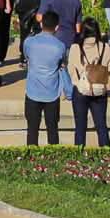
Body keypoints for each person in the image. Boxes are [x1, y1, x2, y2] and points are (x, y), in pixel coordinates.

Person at [19, 11, 70, 144]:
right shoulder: (60, 46)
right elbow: (62, 63)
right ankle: (53, 156)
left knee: (32, 129)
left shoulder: (29, 42)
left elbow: (27, 56)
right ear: (57, 27)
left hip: (33, 92)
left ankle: (31, 158)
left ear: (41, 24)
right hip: (52, 93)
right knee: (53, 129)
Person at [65, 21, 110, 145]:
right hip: (100, 90)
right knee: (101, 125)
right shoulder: (105, 47)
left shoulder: (76, 48)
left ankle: (79, 153)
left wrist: (78, 83)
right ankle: (107, 153)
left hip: (81, 91)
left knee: (80, 127)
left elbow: (71, 69)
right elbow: (109, 70)